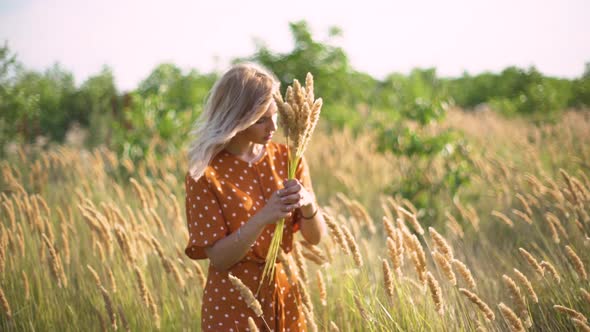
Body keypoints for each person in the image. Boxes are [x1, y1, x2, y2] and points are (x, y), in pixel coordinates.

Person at [184, 63, 326, 332]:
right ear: (236, 118)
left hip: (287, 294)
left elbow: (316, 237)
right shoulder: (204, 174)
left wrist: (308, 203)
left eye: (274, 115)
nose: (273, 125)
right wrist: (263, 217)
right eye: (261, 119)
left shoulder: (288, 158)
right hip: (232, 303)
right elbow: (219, 259)